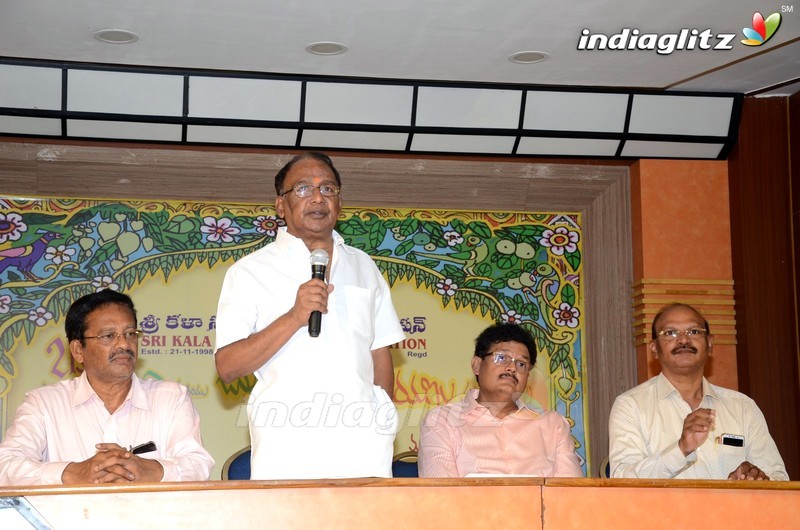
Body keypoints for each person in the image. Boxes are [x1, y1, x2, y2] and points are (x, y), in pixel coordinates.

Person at [214, 152, 405, 479]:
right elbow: (228, 366)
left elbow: (379, 353)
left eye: (328, 189)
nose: (318, 197)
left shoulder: (364, 267)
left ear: (339, 203)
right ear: (280, 205)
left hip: (364, 451)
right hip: (287, 449)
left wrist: (380, 419)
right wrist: (294, 316)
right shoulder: (248, 272)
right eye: (303, 189)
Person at [0, 289, 214, 486]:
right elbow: (6, 466)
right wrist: (73, 472)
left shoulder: (171, 398)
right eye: (109, 336)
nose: (124, 344)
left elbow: (198, 464)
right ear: (78, 350)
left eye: (130, 334)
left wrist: (151, 469)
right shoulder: (44, 404)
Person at [609, 303, 788, 480]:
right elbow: (623, 479)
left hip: (732, 509)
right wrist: (681, 449)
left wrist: (753, 481)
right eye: (670, 333)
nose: (683, 340)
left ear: (709, 344)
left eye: (694, 331)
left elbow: (779, 479)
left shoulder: (742, 407)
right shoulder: (631, 405)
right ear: (654, 348)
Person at [418, 323, 584, 477]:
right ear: (477, 365)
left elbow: (571, 493)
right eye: (501, 358)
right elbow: (440, 496)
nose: (512, 368)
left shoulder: (553, 425)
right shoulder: (442, 421)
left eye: (521, 364)